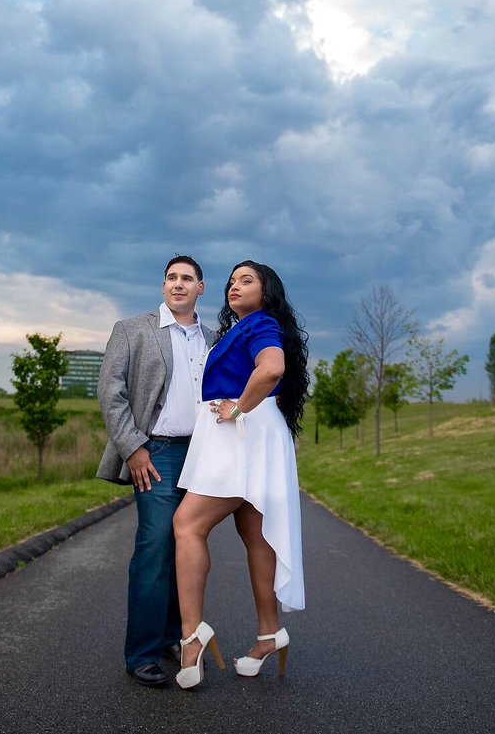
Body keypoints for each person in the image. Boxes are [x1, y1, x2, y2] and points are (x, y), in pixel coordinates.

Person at [171, 259, 310, 690]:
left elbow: (271, 369)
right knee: (257, 536)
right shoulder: (241, 328)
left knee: (187, 525)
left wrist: (237, 408)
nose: (234, 287)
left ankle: (191, 637)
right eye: (231, 282)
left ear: (266, 291)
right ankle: (269, 634)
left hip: (240, 433)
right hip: (249, 433)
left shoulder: (260, 325)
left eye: (246, 281)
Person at [97, 255, 216, 688]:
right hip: (157, 453)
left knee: (185, 546)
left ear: (201, 287)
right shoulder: (132, 331)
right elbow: (111, 394)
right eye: (171, 278)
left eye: (187, 278)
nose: (178, 284)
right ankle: (142, 653)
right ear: (163, 286)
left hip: (204, 455)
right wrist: (134, 449)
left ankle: (173, 636)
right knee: (155, 545)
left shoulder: (215, 338)